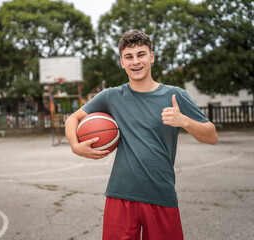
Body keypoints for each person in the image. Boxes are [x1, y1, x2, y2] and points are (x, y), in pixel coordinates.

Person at [65, 29, 218, 240]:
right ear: (122, 62)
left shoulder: (175, 95)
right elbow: (73, 118)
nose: (135, 61)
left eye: (141, 54)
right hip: (121, 195)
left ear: (151, 57)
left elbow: (211, 136)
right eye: (129, 57)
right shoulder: (111, 96)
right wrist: (75, 146)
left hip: (161, 195)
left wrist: (184, 121)